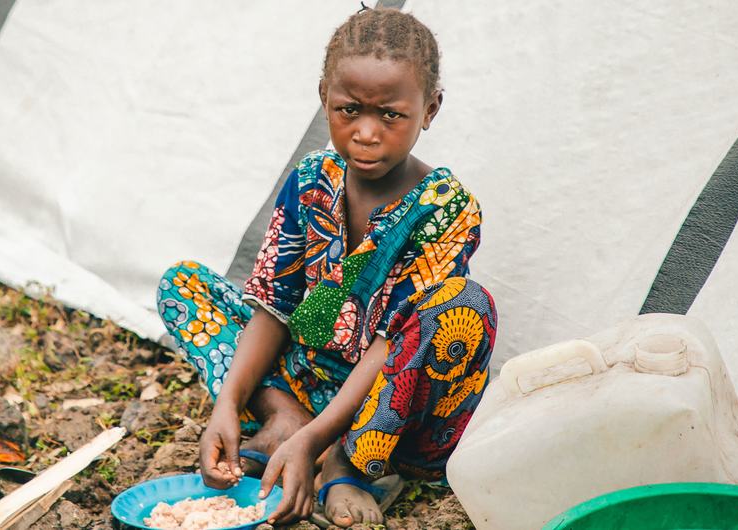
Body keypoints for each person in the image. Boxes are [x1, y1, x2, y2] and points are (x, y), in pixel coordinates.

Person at [156, 7, 496, 527]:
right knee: (184, 285)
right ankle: (283, 418)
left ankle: (347, 463)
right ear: (324, 98)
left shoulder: (446, 207)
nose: (366, 132)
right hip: (306, 377)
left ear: (429, 109)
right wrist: (227, 404)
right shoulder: (312, 179)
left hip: (389, 407)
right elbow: (274, 307)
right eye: (349, 110)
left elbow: (390, 343)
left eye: (391, 115)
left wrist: (322, 437)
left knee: (465, 307)